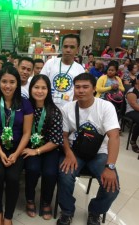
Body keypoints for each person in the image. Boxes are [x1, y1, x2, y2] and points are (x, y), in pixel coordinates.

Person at [57, 73, 120, 225]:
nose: (81, 90)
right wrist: (68, 153)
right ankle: (67, 211)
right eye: (77, 87)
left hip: (99, 153)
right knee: (64, 175)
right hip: (75, 151)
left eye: (85, 87)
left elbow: (114, 137)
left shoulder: (105, 107)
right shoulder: (67, 109)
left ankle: (95, 211)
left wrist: (110, 166)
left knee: (112, 187)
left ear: (93, 89)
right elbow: (63, 136)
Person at [0, 66, 33, 225]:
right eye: (4, 81)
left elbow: (27, 133)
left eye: (12, 82)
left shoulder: (25, 104)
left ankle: (8, 216)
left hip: (17, 147)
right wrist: (0, 153)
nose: (8, 85)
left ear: (17, 84)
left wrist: (16, 153)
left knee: (13, 178)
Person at [22, 75, 63, 220]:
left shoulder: (54, 111)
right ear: (31, 88)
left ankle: (46, 201)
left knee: (50, 172)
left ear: (48, 90)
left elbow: (57, 140)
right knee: (32, 169)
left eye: (43, 88)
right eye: (36, 87)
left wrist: (37, 151)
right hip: (29, 147)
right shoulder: (24, 107)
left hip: (49, 148)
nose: (39, 91)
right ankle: (30, 199)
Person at [41, 33, 85, 108]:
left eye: (72, 47)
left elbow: (79, 93)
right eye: (65, 46)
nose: (68, 50)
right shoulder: (50, 63)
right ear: (62, 48)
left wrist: (73, 109)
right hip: (48, 107)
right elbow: (41, 84)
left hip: (68, 110)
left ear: (77, 50)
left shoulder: (80, 69)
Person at [125, 75, 139, 153]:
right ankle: (133, 141)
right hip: (131, 111)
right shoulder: (132, 91)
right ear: (137, 80)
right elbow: (134, 105)